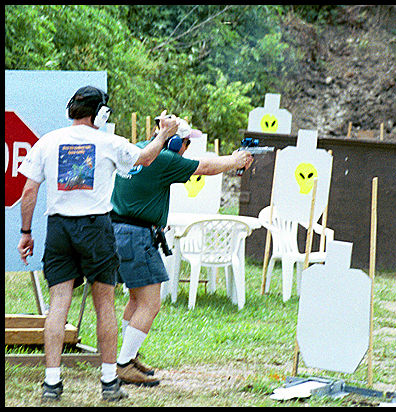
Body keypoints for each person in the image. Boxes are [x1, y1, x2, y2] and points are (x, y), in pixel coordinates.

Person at [16, 86, 179, 402]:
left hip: (59, 227)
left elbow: (29, 192)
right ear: (101, 114)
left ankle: (52, 383)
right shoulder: (109, 142)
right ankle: (108, 382)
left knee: (58, 304)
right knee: (104, 303)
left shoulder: (47, 142)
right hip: (96, 228)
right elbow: (146, 158)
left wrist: (26, 232)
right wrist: (164, 133)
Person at [110, 113, 254, 387]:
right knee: (151, 303)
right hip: (137, 235)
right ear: (176, 142)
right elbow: (205, 167)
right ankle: (124, 364)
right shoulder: (163, 158)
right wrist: (235, 160)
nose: (186, 149)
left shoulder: (137, 149)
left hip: (121, 232)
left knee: (136, 300)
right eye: (186, 143)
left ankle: (129, 355)